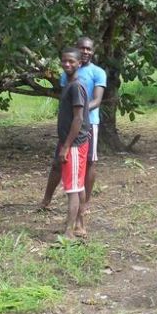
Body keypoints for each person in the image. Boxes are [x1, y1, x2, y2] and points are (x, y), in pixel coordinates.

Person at [41, 36, 106, 212]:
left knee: (89, 163)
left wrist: (80, 112)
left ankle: (84, 205)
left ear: (93, 51)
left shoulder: (98, 72)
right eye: (82, 48)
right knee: (59, 161)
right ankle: (46, 200)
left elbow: (97, 100)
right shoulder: (67, 72)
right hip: (71, 125)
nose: (85, 51)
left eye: (88, 49)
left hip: (89, 124)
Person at [51, 48, 91, 238]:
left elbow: (78, 118)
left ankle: (69, 232)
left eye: (71, 61)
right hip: (73, 143)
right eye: (64, 61)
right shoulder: (69, 84)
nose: (67, 64)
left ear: (79, 63)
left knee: (72, 189)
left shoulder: (76, 86)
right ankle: (79, 226)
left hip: (74, 144)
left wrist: (66, 146)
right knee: (78, 185)